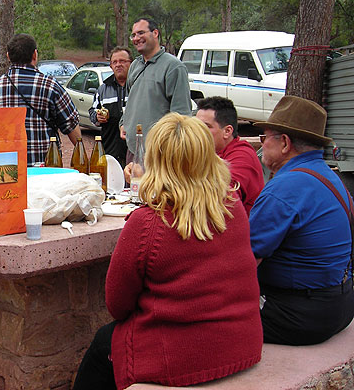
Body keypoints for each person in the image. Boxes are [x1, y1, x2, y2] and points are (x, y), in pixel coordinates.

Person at [74, 113, 262, 389]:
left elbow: (118, 305)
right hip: (243, 344)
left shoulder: (149, 222)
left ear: (157, 163)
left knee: (104, 344)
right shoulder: (231, 207)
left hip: (183, 358)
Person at [250, 95, 354, 345]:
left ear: (284, 143)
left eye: (265, 138)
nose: (262, 145)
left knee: (200, 318)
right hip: (342, 305)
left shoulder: (285, 187)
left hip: (297, 315)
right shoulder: (332, 178)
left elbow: (246, 259)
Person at [0, 33, 81, 166]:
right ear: (35, 54)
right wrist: (83, 158)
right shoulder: (51, 86)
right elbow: (71, 125)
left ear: (8, 56)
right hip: (45, 169)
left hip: (6, 171)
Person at [120, 18, 191, 164]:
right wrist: (123, 123)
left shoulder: (173, 67)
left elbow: (182, 116)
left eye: (141, 33)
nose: (136, 38)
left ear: (155, 33)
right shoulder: (134, 65)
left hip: (159, 154)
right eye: (133, 35)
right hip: (133, 149)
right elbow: (130, 100)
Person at [195, 96, 264, 215]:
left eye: (206, 127)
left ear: (227, 131)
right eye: (195, 126)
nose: (197, 131)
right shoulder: (207, 152)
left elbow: (220, 198)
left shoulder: (242, 157)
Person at [88, 46, 130, 169]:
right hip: (109, 149)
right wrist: (97, 117)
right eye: (115, 62)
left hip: (133, 150)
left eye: (122, 61)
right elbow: (92, 111)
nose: (118, 65)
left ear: (131, 64)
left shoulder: (137, 86)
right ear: (111, 66)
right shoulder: (103, 89)